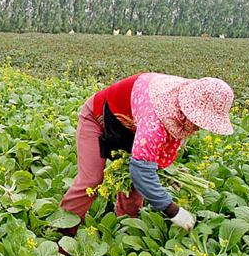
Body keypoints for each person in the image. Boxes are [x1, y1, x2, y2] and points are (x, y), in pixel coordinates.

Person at [60, 72, 234, 235]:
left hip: (129, 129)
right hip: (98, 119)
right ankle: (62, 231)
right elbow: (142, 171)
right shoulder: (155, 119)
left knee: (133, 189)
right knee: (91, 180)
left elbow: (156, 153)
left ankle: (125, 234)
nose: (200, 127)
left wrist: (166, 172)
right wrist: (172, 209)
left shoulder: (182, 101)